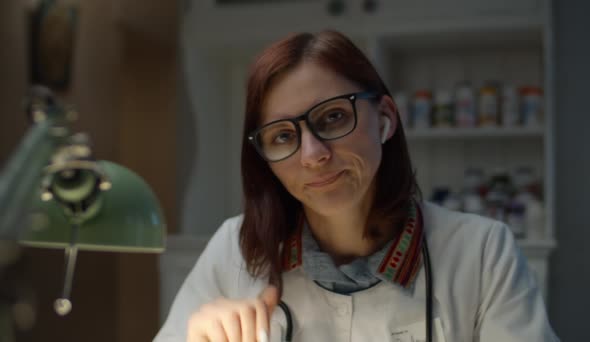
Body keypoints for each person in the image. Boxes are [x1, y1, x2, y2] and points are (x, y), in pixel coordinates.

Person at [155, 30, 559, 342]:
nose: (312, 154)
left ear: (384, 117)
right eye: (282, 136)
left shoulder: (483, 252)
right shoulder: (234, 247)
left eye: (332, 117)